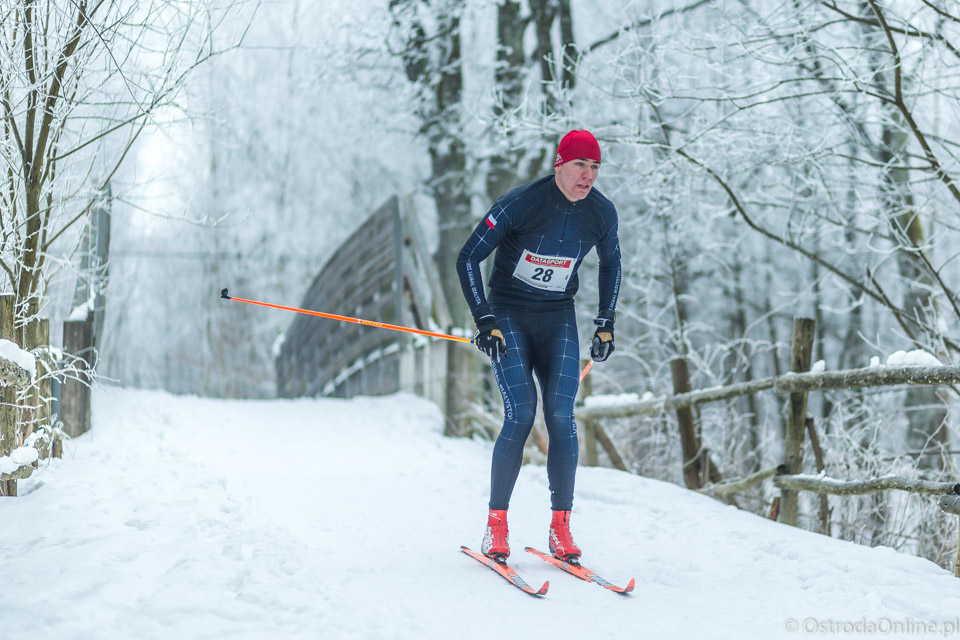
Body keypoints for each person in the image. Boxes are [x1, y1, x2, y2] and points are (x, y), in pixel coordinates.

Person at [456, 129, 621, 563]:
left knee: (562, 416)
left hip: (557, 318)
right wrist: (484, 319)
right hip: (509, 314)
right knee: (522, 412)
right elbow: (468, 257)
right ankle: (496, 526)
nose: (588, 175)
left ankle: (561, 528)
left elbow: (612, 263)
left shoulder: (601, 213)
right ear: (559, 164)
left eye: (595, 167)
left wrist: (605, 323)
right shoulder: (522, 202)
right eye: (581, 165)